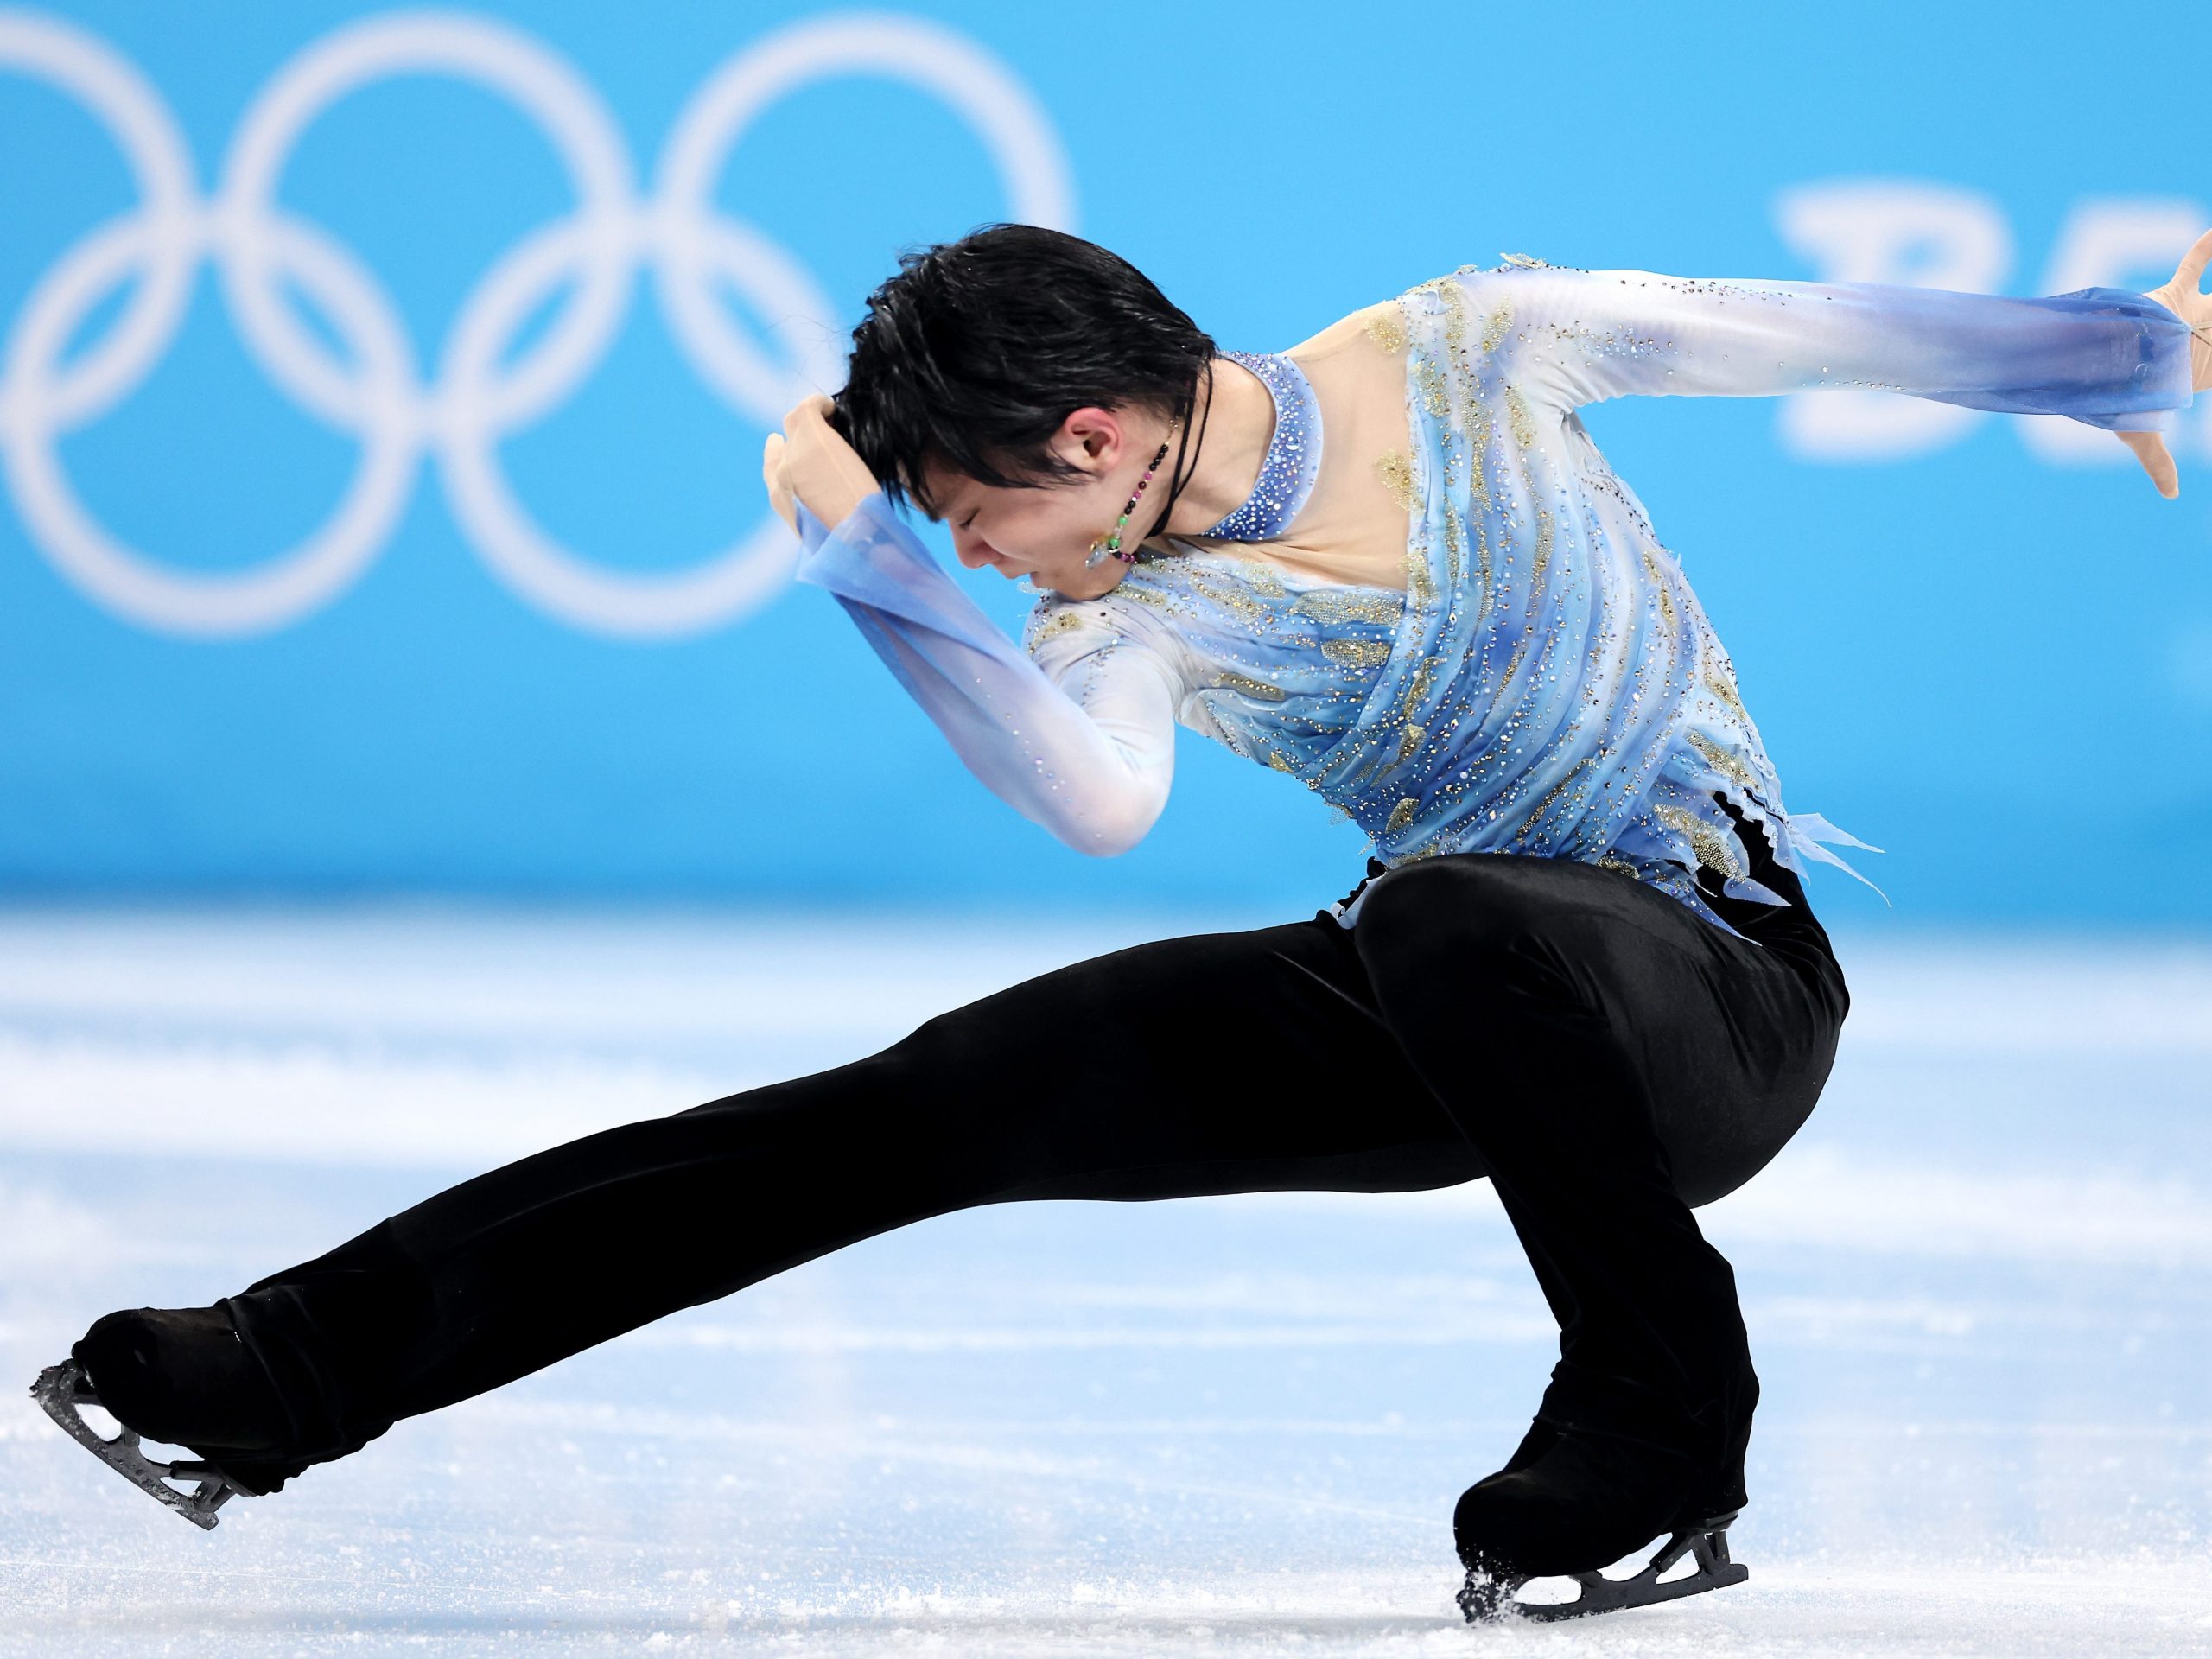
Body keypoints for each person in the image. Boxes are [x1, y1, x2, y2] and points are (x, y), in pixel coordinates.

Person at [40, 225, 2209, 1623]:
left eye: (983, 528)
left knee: (1452, 918)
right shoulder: (1148, 609)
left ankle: (1656, 1428)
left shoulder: (1475, 349)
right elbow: (1092, 800)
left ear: (1096, 435)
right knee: (918, 1106)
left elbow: (1805, 330)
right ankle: (288, 1371)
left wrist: (2120, 356)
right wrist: (867, 565)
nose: (990, 572)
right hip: (1434, 980)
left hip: (1711, 995)